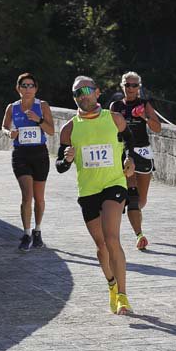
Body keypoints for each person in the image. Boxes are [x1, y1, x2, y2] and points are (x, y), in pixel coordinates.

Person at [56, 76, 136, 315]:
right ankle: (111, 285)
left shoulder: (114, 118)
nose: (82, 95)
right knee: (101, 245)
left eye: (86, 90)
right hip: (88, 190)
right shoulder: (69, 129)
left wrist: (129, 159)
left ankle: (123, 296)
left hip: (114, 184)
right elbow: (60, 166)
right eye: (77, 93)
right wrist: (67, 159)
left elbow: (130, 141)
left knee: (112, 238)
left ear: (97, 92)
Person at [1, 73, 54, 251]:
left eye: (31, 85)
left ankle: (37, 230)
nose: (28, 89)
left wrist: (38, 120)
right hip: (21, 154)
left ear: (36, 88)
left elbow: (51, 131)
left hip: (40, 154)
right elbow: (4, 127)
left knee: (39, 198)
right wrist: (9, 133)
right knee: (27, 195)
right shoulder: (12, 107)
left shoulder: (42, 106)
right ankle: (26, 234)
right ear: (18, 88)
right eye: (24, 85)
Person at [109, 71, 162, 250]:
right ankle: (139, 235)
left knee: (141, 200)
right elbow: (109, 130)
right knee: (133, 196)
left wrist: (143, 117)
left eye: (134, 85)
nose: (130, 88)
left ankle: (135, 214)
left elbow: (158, 128)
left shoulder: (144, 104)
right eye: (127, 85)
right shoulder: (116, 106)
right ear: (122, 86)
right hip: (125, 153)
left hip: (143, 152)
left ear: (139, 87)